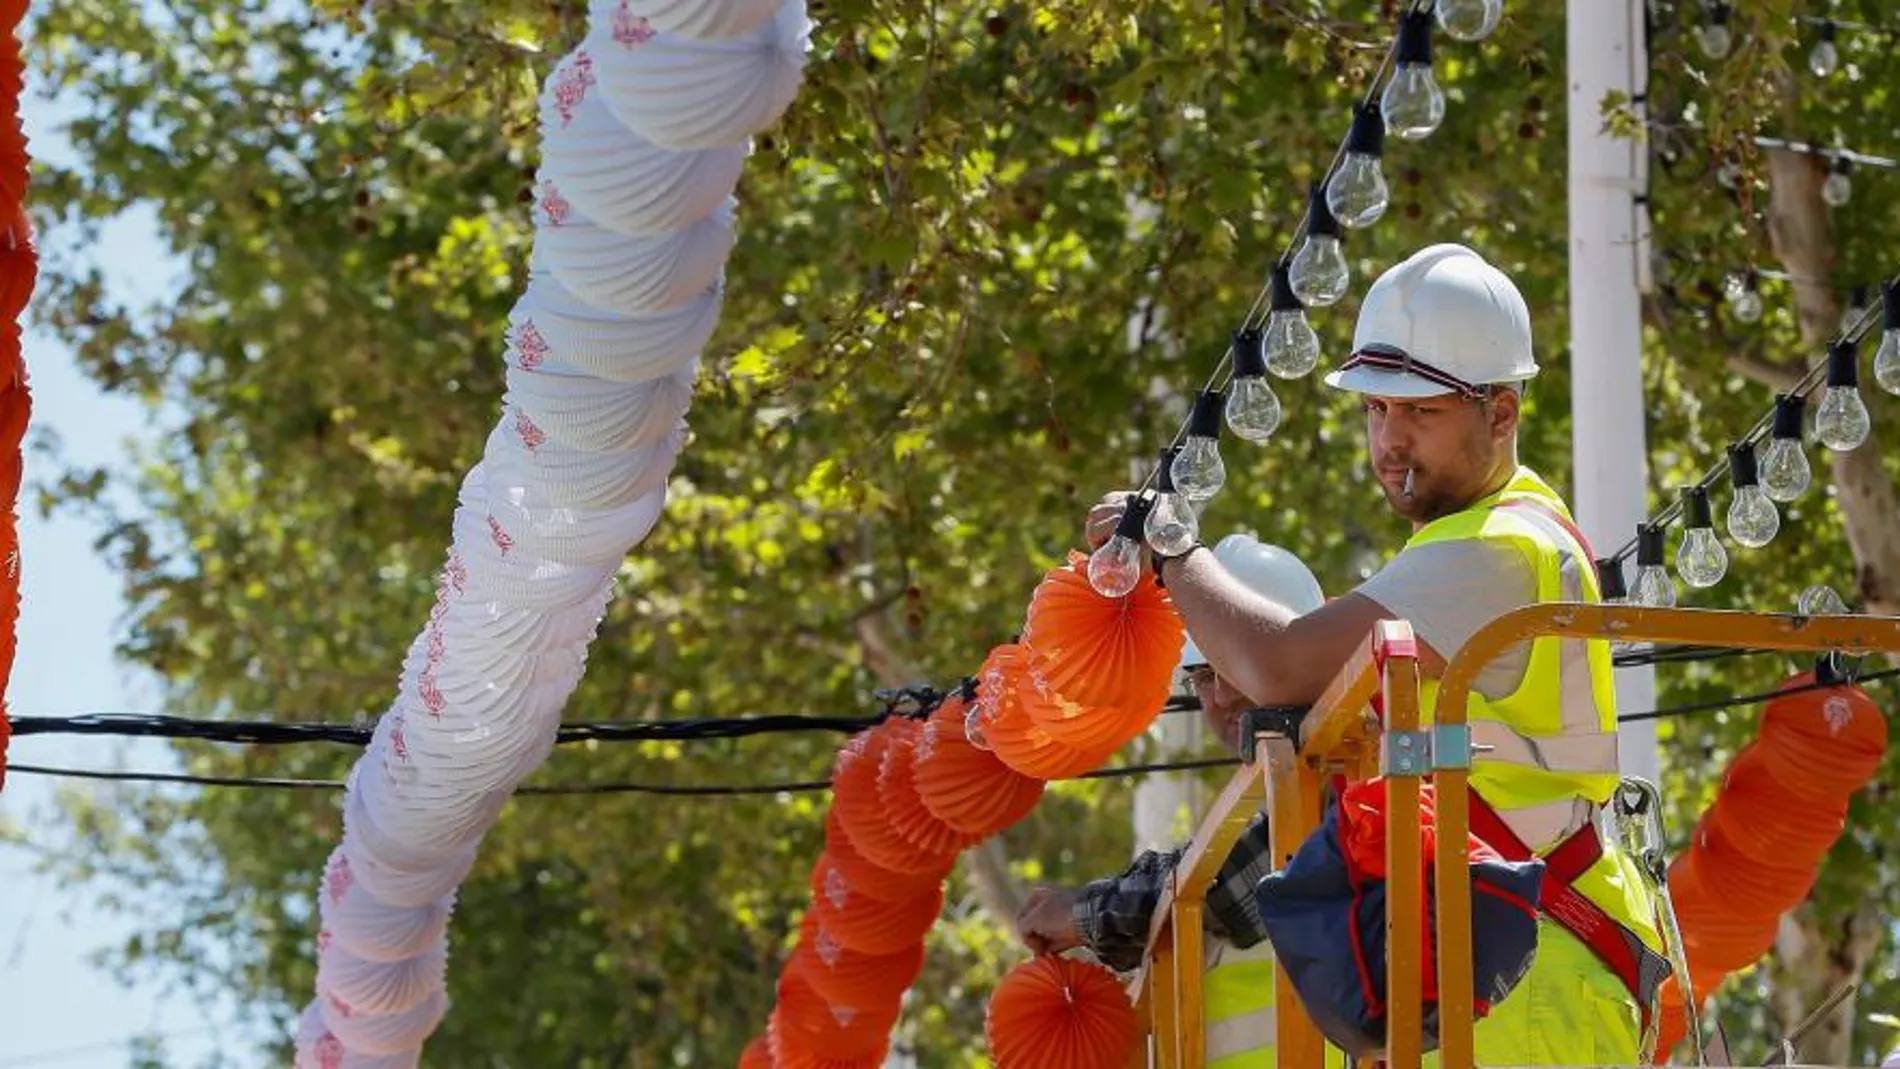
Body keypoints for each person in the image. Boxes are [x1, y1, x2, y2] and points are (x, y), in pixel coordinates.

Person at [1021, 244, 1670, 1065]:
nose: (1390, 441)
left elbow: (1280, 662)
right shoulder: (1464, 548)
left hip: (1523, 968)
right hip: (1486, 957)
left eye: (1420, 413)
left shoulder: (1501, 548)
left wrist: (1173, 548)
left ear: (1501, 414)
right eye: (1375, 411)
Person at [1017, 535, 1323, 1069]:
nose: (1222, 695)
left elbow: (1225, 887)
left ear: (1296, 657)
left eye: (1234, 664)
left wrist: (1084, 913)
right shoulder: (1271, 793)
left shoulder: (1349, 760)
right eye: (1204, 676)